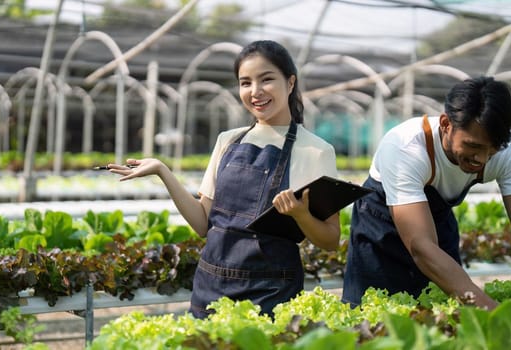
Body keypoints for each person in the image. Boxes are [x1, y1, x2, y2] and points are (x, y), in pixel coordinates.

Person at [107, 40, 340, 318]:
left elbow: (330, 240)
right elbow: (203, 223)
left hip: (272, 292)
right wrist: (162, 171)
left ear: (290, 83)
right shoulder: (227, 141)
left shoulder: (316, 151)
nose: (255, 92)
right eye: (245, 83)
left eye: (266, 80)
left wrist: (302, 216)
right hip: (211, 286)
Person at [342, 76, 511, 310]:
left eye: (492, 149)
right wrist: (491, 310)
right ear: (446, 124)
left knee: (444, 313)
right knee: (370, 315)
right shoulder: (405, 148)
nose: (482, 158)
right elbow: (421, 245)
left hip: (437, 224)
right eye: (473, 146)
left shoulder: (509, 150)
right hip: (381, 229)